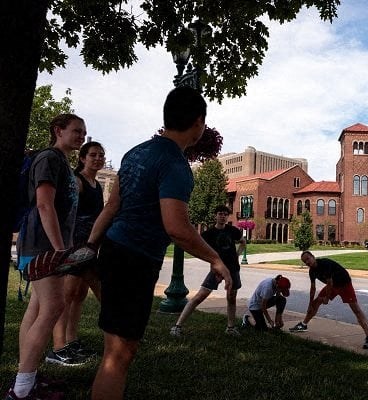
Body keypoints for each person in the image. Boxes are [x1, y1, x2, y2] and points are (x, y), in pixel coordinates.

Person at [86, 87, 232, 400]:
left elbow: (112, 208)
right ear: (198, 123)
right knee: (119, 354)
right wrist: (215, 258)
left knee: (119, 348)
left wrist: (90, 247)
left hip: (114, 251)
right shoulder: (175, 166)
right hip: (133, 261)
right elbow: (177, 227)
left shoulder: (135, 153)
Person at [6, 114, 86, 400]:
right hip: (42, 246)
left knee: (38, 309)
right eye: (76, 131)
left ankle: (26, 377)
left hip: (44, 245)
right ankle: (22, 390)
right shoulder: (50, 159)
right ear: (58, 130)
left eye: (84, 132)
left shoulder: (61, 162)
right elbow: (43, 205)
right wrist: (59, 250)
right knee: (53, 307)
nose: (82, 136)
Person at [47, 141, 105, 366]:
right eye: (93, 155)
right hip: (75, 246)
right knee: (66, 295)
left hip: (90, 246)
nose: (98, 159)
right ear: (82, 158)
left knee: (79, 295)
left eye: (101, 155)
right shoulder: (77, 182)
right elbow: (65, 212)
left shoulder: (96, 184)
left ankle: (71, 340)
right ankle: (57, 348)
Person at [170, 205, 246, 337]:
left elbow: (243, 242)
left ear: (227, 216)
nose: (222, 216)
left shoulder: (232, 230)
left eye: (225, 214)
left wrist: (237, 255)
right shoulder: (208, 234)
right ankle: (177, 326)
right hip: (216, 269)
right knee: (200, 296)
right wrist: (211, 262)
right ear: (215, 216)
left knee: (231, 297)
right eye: (220, 214)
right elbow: (199, 249)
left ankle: (231, 327)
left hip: (233, 269)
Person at [289, 251, 368, 349]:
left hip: (344, 284)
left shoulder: (324, 264)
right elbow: (313, 288)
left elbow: (330, 282)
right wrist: (310, 304)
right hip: (333, 286)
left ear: (313, 257)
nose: (307, 262)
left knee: (356, 310)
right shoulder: (312, 271)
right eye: (305, 262)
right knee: (315, 303)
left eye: (308, 259)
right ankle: (303, 325)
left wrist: (326, 298)